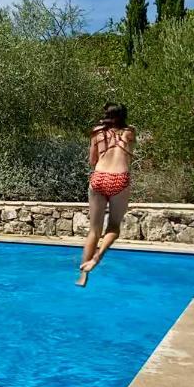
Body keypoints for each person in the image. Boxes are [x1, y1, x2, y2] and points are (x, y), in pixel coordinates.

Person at [76, 102, 135, 287]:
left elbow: (92, 160)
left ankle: (83, 276)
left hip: (99, 177)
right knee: (114, 227)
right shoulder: (130, 132)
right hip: (119, 178)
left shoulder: (96, 132)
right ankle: (97, 258)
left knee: (94, 230)